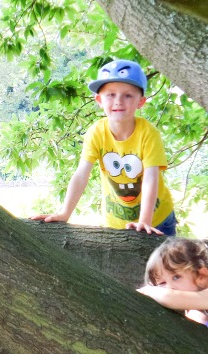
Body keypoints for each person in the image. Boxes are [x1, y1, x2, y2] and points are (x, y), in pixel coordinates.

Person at [31, 59, 176, 235]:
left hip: (156, 220)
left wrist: (144, 221)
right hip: (115, 222)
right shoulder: (96, 132)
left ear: (141, 102)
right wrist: (64, 213)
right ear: (99, 100)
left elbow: (150, 178)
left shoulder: (148, 133)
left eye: (128, 95)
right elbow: (81, 174)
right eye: (111, 95)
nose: (118, 101)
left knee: (164, 262)